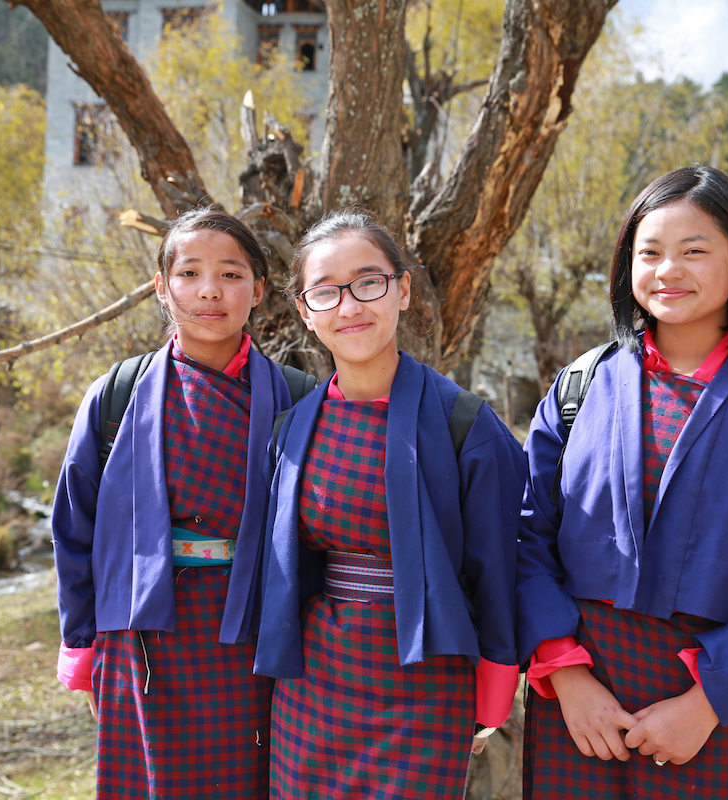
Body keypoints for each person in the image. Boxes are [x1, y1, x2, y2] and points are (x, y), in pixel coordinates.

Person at [517, 166, 728, 798]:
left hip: (720, 707)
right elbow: (526, 538)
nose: (669, 270)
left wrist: (707, 703)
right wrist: (566, 676)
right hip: (583, 706)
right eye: (651, 252)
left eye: (694, 251)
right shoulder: (578, 389)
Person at [254, 210, 526, 799]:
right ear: (305, 310)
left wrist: (495, 688)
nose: (349, 307)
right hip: (315, 682)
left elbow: (500, 567)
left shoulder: (464, 424)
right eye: (326, 292)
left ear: (403, 290)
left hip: (424, 683)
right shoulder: (290, 431)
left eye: (368, 283)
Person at [52, 207, 298, 799]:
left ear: (259, 291)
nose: (210, 290)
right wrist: (79, 643)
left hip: (253, 638)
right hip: (142, 636)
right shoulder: (117, 394)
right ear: (162, 287)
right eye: (189, 273)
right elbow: (74, 527)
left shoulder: (299, 396)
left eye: (232, 275)